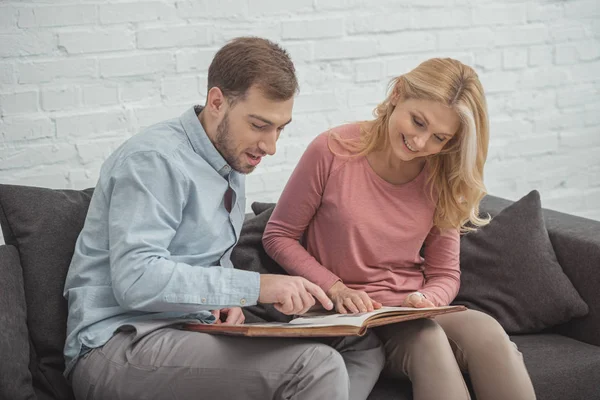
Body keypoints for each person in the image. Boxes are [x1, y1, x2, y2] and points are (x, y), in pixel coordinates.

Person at [63, 37, 384, 400]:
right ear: (217, 102)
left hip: (189, 331)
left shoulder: (228, 162)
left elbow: (197, 264)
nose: (271, 145)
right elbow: (136, 278)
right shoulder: (154, 160)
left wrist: (224, 301)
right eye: (260, 125)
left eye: (280, 128)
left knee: (362, 347)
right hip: (117, 346)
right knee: (315, 365)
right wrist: (256, 287)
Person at [263, 58, 537, 400]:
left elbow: (445, 273)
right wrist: (336, 288)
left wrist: (427, 300)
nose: (420, 143)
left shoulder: (442, 176)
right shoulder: (333, 150)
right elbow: (278, 236)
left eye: (439, 137)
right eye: (417, 122)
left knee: (488, 331)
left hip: (404, 310)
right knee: (427, 338)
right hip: (345, 316)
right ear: (397, 94)